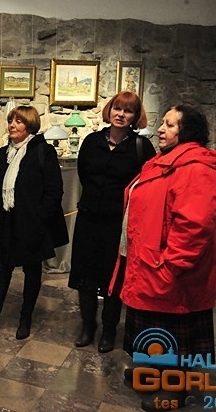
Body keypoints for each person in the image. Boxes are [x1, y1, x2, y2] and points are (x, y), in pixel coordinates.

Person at [108, 105, 216, 411]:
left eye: (170, 125)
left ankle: (175, 389)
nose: (161, 129)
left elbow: (194, 225)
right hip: (149, 260)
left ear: (187, 132)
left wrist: (172, 266)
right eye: (163, 123)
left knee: (173, 329)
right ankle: (154, 374)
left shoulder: (194, 167)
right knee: (155, 328)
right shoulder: (164, 161)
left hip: (172, 268)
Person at [0, 105, 68, 340]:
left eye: (18, 121)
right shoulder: (4, 153)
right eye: (11, 121)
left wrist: (40, 218)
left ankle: (25, 320)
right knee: (2, 270)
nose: (12, 125)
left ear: (30, 125)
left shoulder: (43, 151)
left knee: (32, 272)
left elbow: (54, 191)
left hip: (32, 224)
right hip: (7, 221)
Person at [67, 91, 156, 353]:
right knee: (85, 275)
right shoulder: (91, 141)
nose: (121, 114)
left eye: (128, 111)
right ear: (110, 110)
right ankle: (87, 326)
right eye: (118, 108)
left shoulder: (142, 147)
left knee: (113, 277)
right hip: (88, 218)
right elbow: (84, 175)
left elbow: (147, 185)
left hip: (119, 223)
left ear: (135, 116)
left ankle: (109, 329)